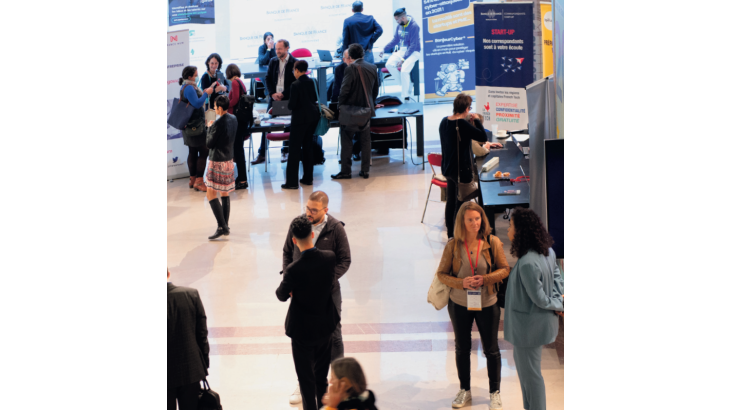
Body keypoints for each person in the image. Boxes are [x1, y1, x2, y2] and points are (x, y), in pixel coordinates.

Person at [436, 202, 509, 409]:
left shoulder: (492, 242)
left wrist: (485, 279)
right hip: (459, 303)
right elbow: (441, 274)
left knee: (492, 350)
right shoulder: (453, 245)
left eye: (478, 219)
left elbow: (504, 269)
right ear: (462, 221)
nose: (475, 223)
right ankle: (464, 390)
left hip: (487, 303)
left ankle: (495, 392)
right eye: (470, 219)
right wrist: (461, 283)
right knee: (462, 348)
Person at [284, 191, 351, 405]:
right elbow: (287, 252)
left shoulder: (336, 228)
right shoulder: (299, 224)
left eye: (314, 210)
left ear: (325, 210)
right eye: (307, 208)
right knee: (305, 337)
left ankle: (338, 383)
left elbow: (345, 259)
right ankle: (304, 381)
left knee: (334, 335)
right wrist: (289, 279)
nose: (309, 213)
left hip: (329, 293)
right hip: (302, 293)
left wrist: (328, 280)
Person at [276, 215, 340, 410]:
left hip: (302, 332)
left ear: (294, 241)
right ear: (312, 234)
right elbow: (328, 282)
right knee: (321, 377)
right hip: (325, 327)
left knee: (306, 381)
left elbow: (280, 295)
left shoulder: (293, 270)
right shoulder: (329, 258)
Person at [503, 207, 564, 410]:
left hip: (528, 330)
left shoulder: (528, 262)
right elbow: (558, 277)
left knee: (531, 379)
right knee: (528, 379)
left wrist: (558, 304)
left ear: (521, 231)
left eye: (511, 226)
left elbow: (539, 299)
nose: (508, 230)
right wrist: (559, 299)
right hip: (535, 327)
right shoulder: (548, 252)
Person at [438, 93, 502, 238]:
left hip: (448, 168)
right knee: (461, 204)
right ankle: (462, 233)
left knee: (451, 202)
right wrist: (478, 120)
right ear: (467, 109)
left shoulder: (444, 122)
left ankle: (451, 235)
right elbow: (482, 136)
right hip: (461, 171)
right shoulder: (462, 124)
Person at [332, 44, 379, 180]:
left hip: (350, 111)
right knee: (365, 141)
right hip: (366, 110)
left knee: (346, 140)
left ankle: (346, 171)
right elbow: (375, 90)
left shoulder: (350, 68)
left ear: (350, 56)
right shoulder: (373, 67)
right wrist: (370, 104)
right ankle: (365, 171)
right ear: (363, 54)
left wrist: (340, 106)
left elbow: (344, 90)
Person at [167, 268, 210, 410]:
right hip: (191, 369)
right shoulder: (191, 294)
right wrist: (204, 364)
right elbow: (201, 333)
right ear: (168, 274)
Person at [252, 39, 297, 165]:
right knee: (266, 125)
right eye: (276, 49)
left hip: (287, 98)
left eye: (280, 49)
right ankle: (262, 154)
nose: (277, 51)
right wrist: (272, 94)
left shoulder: (294, 62)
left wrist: (283, 94)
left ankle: (285, 151)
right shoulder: (273, 61)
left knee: (288, 126)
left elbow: (295, 83)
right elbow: (267, 78)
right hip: (274, 98)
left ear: (287, 48)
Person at [282, 60, 320, 189]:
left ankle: (292, 182)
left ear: (297, 70)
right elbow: (316, 97)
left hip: (299, 120)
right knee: (308, 147)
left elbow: (292, 105)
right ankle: (308, 178)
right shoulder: (313, 82)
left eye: (294, 70)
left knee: (294, 150)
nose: (293, 72)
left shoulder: (295, 85)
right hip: (313, 117)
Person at [204, 95, 237, 240]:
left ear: (220, 108)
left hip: (217, 161)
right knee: (225, 193)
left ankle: (222, 226)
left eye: (215, 106)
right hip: (228, 160)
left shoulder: (217, 124)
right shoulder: (233, 119)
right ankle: (225, 226)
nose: (214, 109)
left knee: (210, 194)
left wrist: (210, 128)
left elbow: (209, 143)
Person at [179, 66, 215, 192]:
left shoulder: (185, 86)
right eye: (195, 75)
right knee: (204, 151)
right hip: (195, 127)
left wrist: (203, 92)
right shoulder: (189, 88)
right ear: (189, 77)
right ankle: (199, 181)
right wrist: (206, 93)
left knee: (193, 152)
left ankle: (192, 179)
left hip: (189, 126)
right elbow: (197, 103)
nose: (197, 77)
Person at [382, 8, 422, 101]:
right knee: (388, 64)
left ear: (403, 18)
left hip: (414, 52)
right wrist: (384, 49)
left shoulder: (414, 26)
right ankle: (406, 85)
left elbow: (413, 45)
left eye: (397, 20)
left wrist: (403, 59)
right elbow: (395, 40)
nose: (396, 22)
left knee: (404, 71)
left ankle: (405, 97)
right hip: (402, 50)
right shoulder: (399, 26)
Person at [332, 50, 362, 162]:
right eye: (346, 58)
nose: (349, 60)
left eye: (351, 58)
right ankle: (345, 155)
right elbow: (337, 88)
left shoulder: (361, 68)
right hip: (345, 104)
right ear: (343, 59)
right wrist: (336, 105)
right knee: (344, 126)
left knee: (359, 125)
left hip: (359, 104)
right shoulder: (339, 69)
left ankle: (356, 151)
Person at [224, 63, 249, 190]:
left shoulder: (234, 82)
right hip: (241, 120)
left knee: (238, 150)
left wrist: (224, 104)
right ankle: (241, 178)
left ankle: (243, 180)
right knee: (239, 150)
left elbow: (235, 101)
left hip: (237, 120)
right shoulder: (240, 82)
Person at [341, 1, 383, 65]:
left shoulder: (348, 21)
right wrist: (370, 42)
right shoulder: (370, 18)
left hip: (353, 53)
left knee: (355, 74)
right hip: (366, 51)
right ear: (362, 9)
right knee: (369, 73)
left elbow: (345, 39)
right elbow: (379, 30)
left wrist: (344, 54)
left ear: (352, 10)